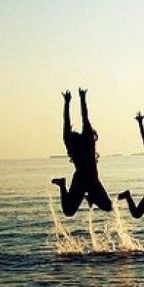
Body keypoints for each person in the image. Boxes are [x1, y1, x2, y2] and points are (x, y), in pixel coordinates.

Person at [52, 88, 112, 216]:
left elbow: (67, 123)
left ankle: (64, 186)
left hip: (83, 179)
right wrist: (82, 98)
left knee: (69, 212)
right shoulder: (87, 144)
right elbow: (85, 118)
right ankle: (66, 187)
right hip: (88, 179)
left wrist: (67, 102)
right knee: (107, 207)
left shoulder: (76, 145)